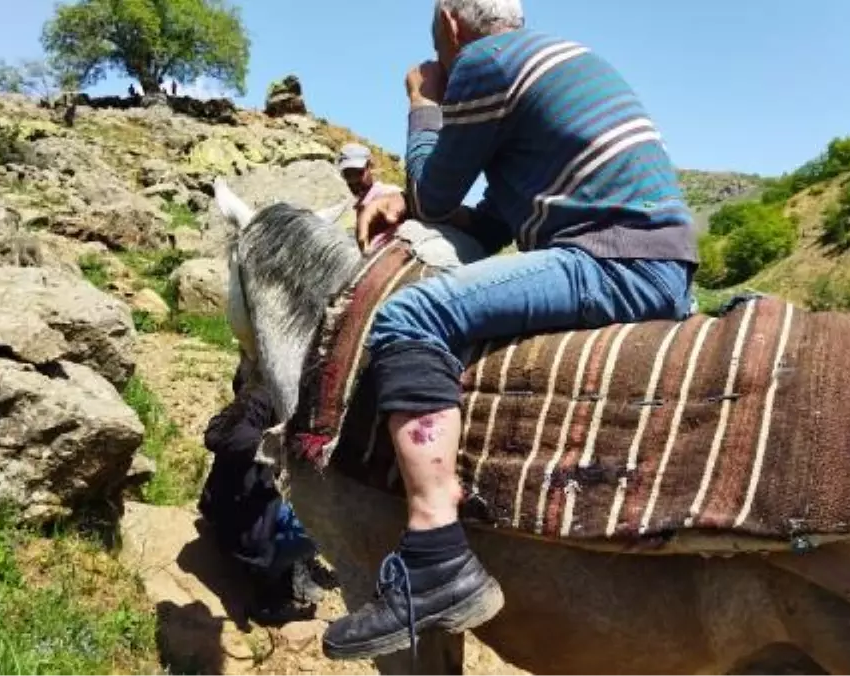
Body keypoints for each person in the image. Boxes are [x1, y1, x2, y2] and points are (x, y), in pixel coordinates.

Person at [322, 0, 699, 661]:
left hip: (614, 260)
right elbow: (492, 221)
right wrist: (406, 204)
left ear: (449, 21)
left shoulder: (480, 64)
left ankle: (436, 553)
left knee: (412, 314)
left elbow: (439, 195)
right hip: (656, 258)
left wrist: (422, 99)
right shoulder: (548, 64)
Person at [199, 361, 330, 623]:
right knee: (317, 524)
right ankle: (267, 590)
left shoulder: (321, 409)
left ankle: (293, 563)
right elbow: (217, 433)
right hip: (245, 511)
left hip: (268, 503)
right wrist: (276, 447)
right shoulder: (263, 395)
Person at [333, 143, 403, 235]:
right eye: (348, 175)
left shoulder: (387, 194)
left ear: (369, 166)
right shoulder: (359, 204)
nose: (353, 180)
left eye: (359, 173)